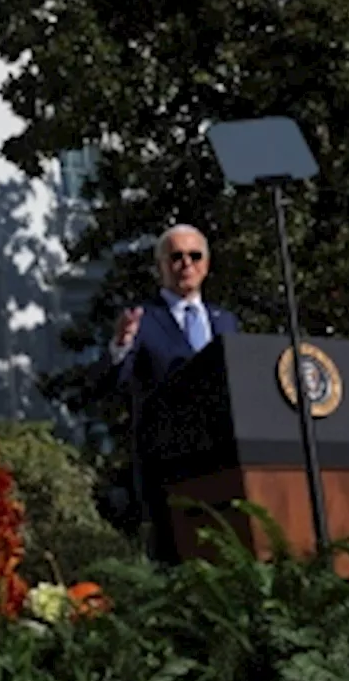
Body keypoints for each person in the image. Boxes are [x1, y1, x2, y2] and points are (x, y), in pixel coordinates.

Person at [94, 223, 240, 563]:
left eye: (194, 256)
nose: (185, 264)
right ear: (160, 266)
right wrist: (121, 345)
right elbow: (111, 381)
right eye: (176, 257)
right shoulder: (143, 320)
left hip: (225, 458)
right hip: (169, 465)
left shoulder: (226, 321)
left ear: (207, 264)